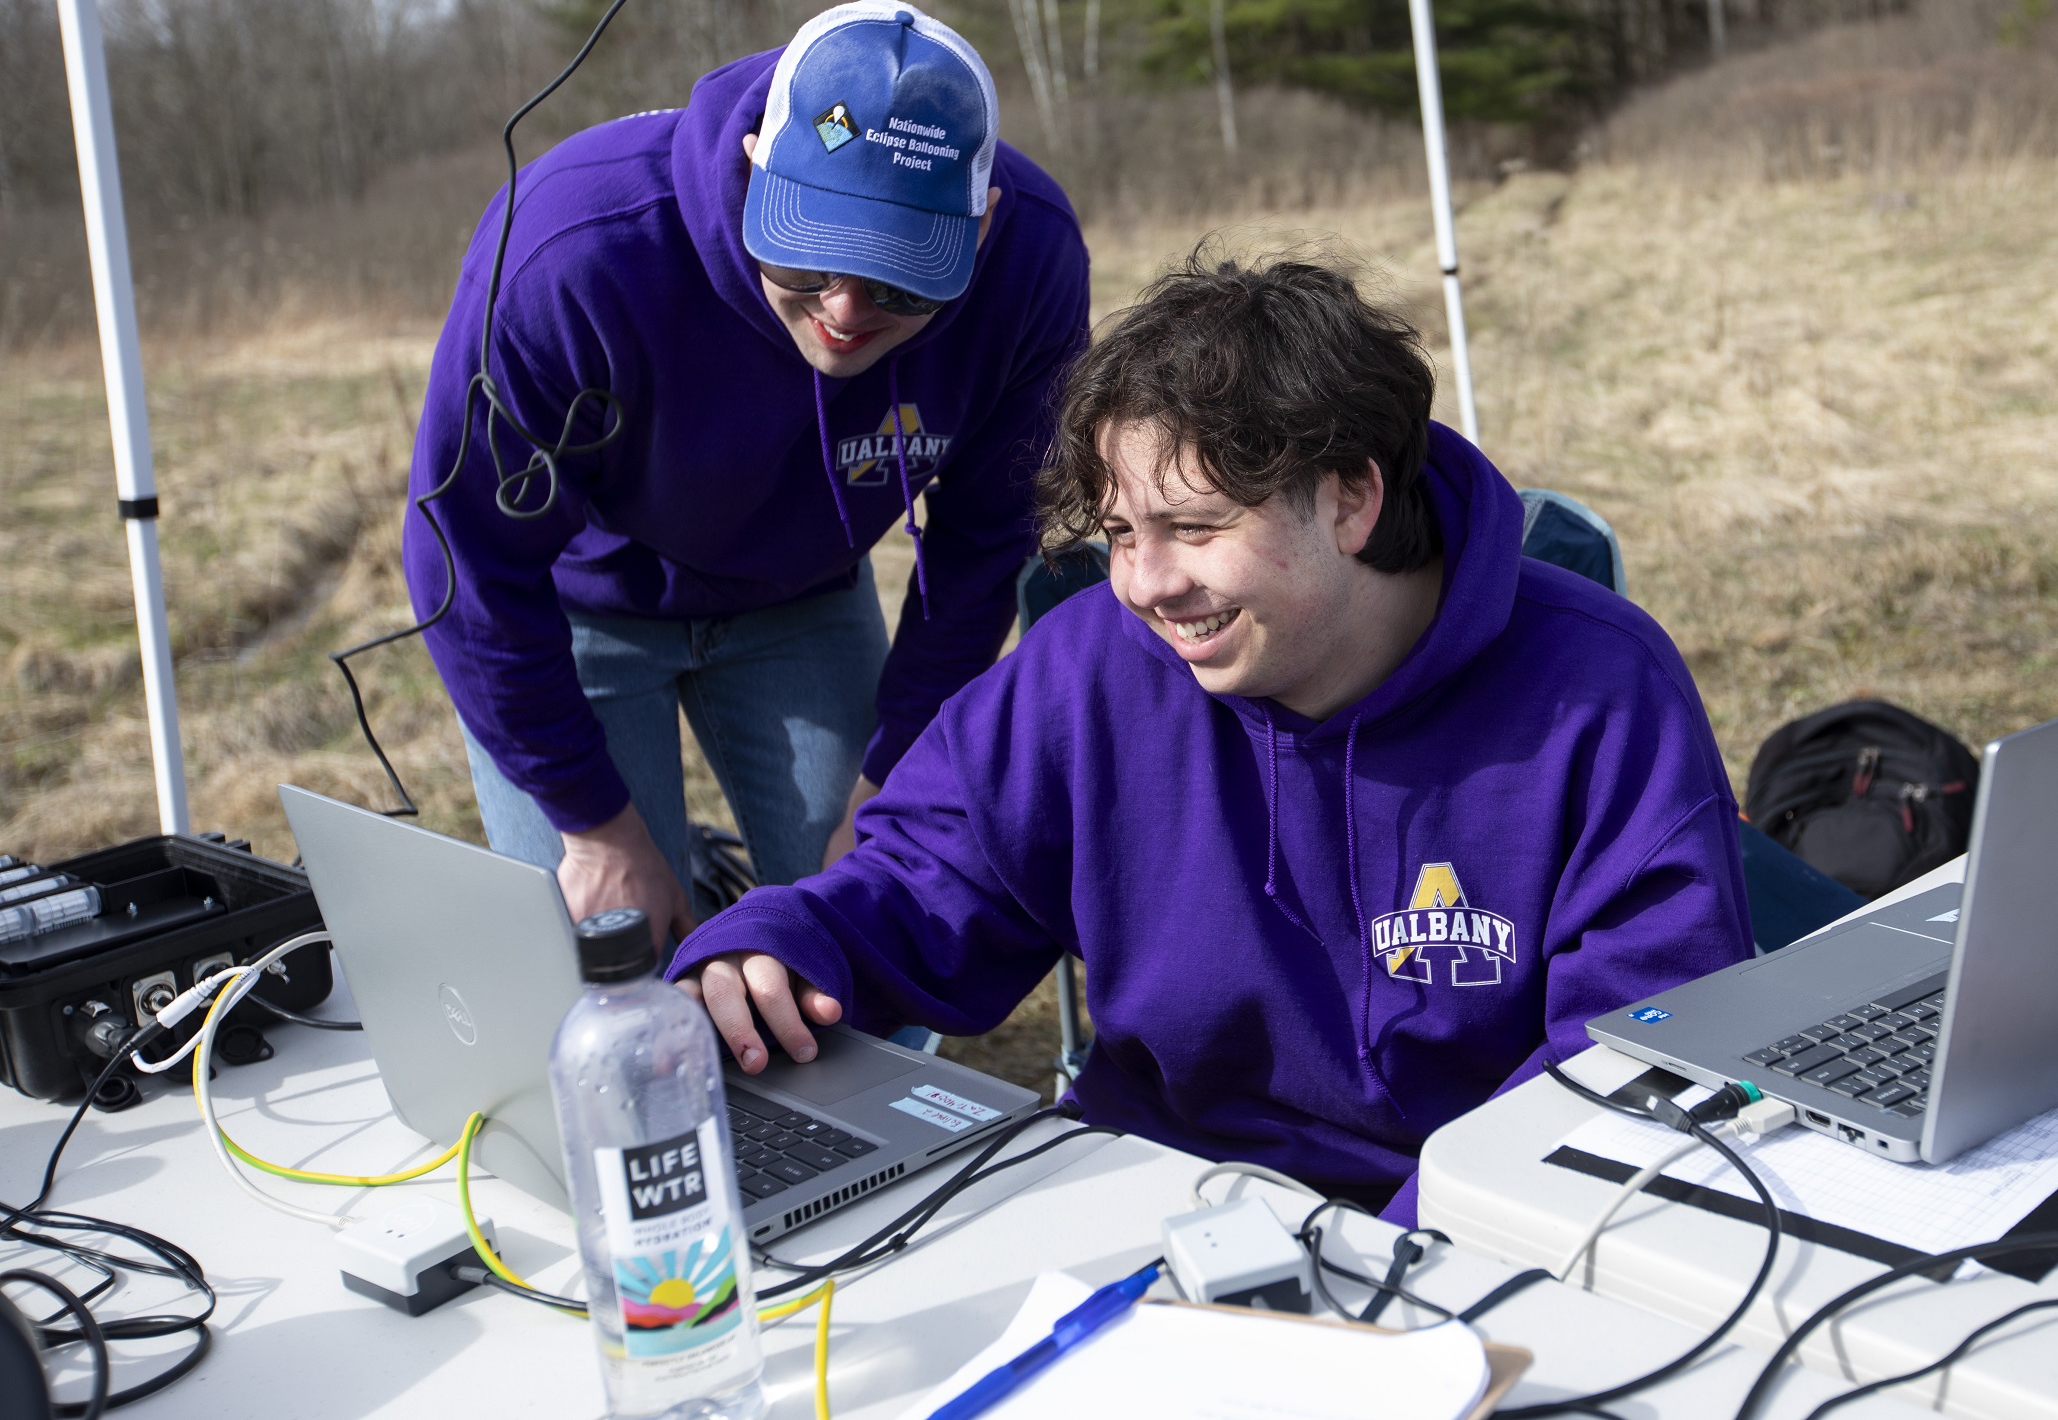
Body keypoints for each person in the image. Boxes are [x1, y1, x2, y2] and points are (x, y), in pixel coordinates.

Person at [668, 254, 1752, 1220]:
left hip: (1475, 1231)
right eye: (1123, 533)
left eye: (1195, 527)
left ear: (1351, 498)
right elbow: (924, 881)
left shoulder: (1599, 690)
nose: (1145, 583)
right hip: (1149, 1200)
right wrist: (778, 945)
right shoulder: (1088, 668)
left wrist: (1394, 1259)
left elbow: (1632, 1048)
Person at [406, 1, 1089, 947]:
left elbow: (980, 549)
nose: (845, 311)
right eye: (808, 255)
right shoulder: (571, 254)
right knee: (603, 956)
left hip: (802, 597)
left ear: (982, 228)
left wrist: (892, 774)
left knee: (877, 920)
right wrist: (600, 829)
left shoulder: (1034, 266)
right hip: (578, 610)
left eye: (899, 277)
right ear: (756, 162)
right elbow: (465, 561)